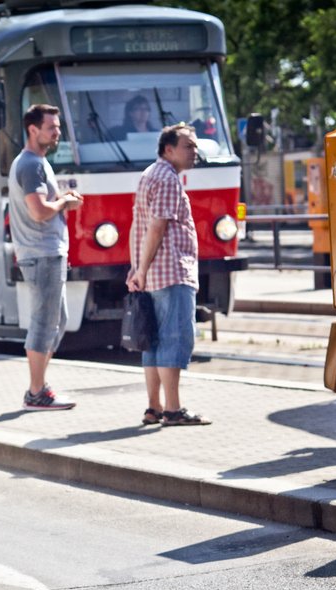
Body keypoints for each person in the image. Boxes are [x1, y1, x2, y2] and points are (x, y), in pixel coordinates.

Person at [126, 123, 211, 427]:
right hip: (170, 270)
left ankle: (154, 407)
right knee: (175, 339)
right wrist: (142, 269)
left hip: (151, 272)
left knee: (153, 342)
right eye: (189, 146)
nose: (195, 151)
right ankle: (173, 410)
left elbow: (138, 227)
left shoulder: (150, 174)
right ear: (168, 149)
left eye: (195, 145)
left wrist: (137, 269)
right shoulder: (167, 179)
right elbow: (157, 227)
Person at [9, 103, 83, 411]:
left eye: (58, 127)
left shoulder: (35, 162)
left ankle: (39, 387)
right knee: (44, 322)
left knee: (58, 320)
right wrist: (65, 202)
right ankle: (36, 392)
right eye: (52, 127)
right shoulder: (31, 165)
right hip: (41, 253)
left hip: (44, 252)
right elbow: (38, 211)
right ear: (33, 129)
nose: (57, 133)